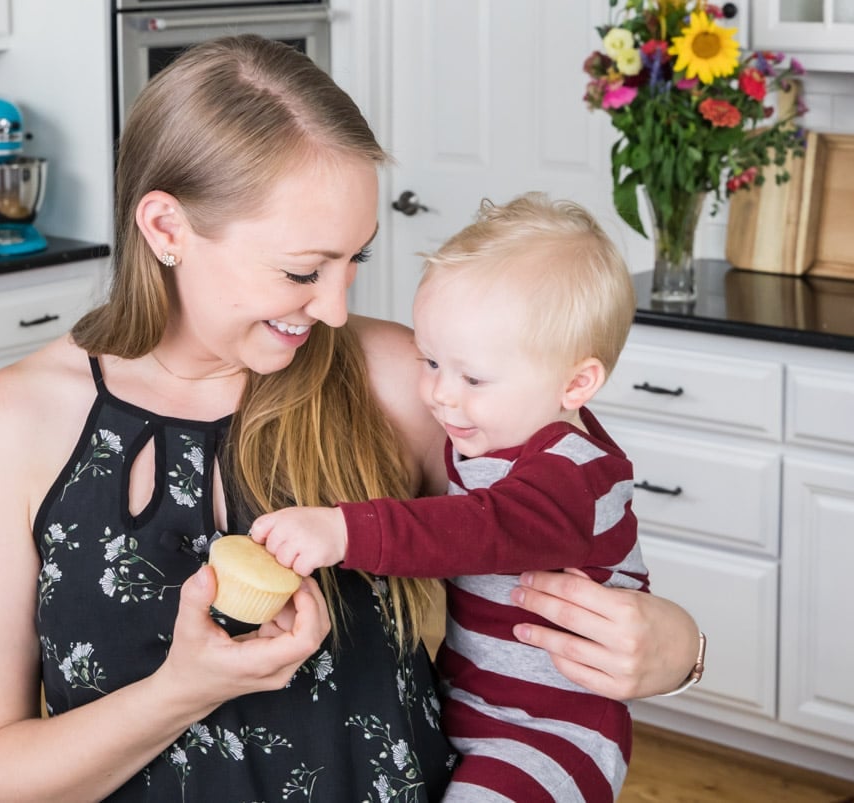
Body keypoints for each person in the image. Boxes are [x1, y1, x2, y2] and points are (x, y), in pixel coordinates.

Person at [0, 34, 702, 803]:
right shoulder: (14, 424)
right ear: (166, 229)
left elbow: (572, 513)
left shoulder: (400, 379)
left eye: (354, 259)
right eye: (303, 270)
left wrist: (677, 647)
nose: (335, 308)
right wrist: (181, 689)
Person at [251, 193, 647, 802]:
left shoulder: (577, 474)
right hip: (469, 711)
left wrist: (342, 531)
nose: (441, 395)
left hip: (551, 732)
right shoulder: (492, 435)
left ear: (576, 383)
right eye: (431, 361)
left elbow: (474, 529)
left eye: (474, 378)